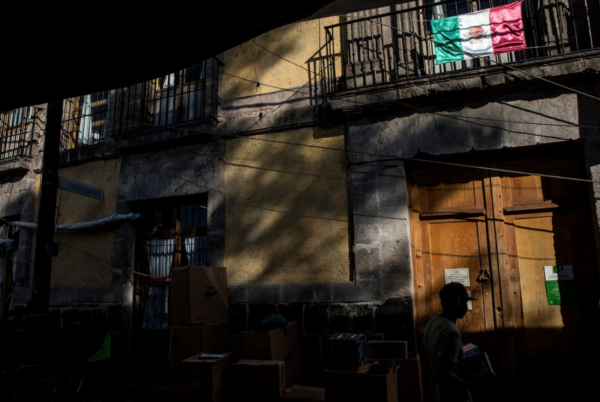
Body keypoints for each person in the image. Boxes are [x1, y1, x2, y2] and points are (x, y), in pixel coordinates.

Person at [423, 282, 477, 402]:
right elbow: (442, 375)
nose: (467, 308)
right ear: (458, 302)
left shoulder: (433, 323)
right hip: (452, 397)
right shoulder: (451, 332)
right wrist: (472, 385)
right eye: (465, 302)